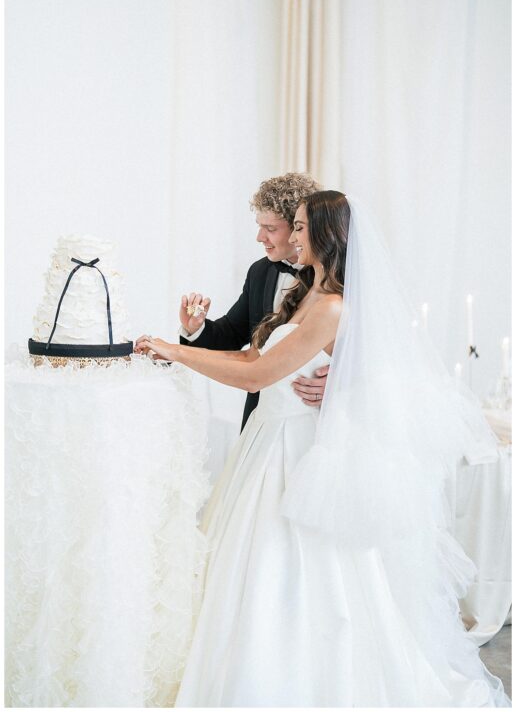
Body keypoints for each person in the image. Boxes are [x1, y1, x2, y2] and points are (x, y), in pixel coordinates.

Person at [135, 191, 509, 707]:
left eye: (302, 226)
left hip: (293, 451)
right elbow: (251, 354)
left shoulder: (333, 307)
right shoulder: (306, 291)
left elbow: (256, 375)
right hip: (266, 441)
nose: (292, 235)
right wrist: (188, 340)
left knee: (297, 575)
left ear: (327, 235)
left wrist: (173, 352)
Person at [178, 171, 327, 429]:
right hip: (264, 416)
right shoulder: (260, 272)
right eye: (260, 226)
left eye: (270, 229)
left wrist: (339, 381)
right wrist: (195, 328)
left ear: (300, 229)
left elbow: (368, 352)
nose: (260, 237)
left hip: (319, 417)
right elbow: (233, 334)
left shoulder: (337, 278)